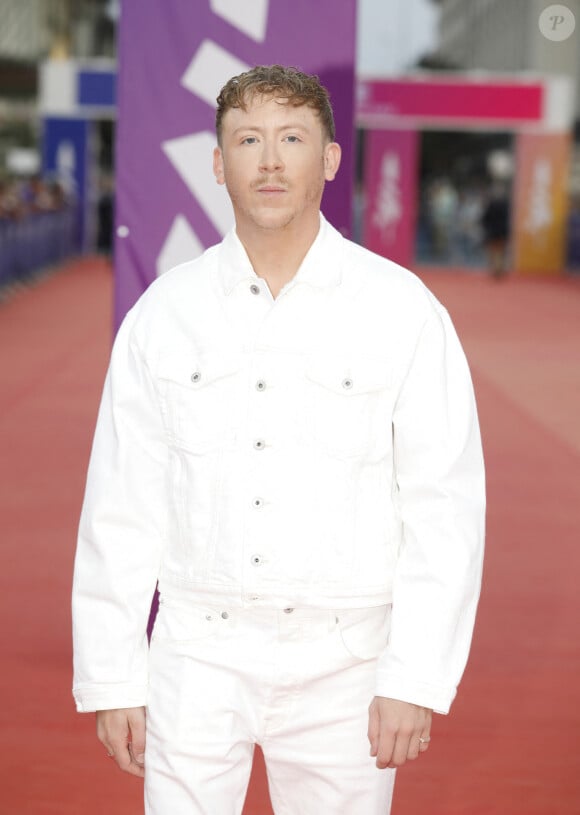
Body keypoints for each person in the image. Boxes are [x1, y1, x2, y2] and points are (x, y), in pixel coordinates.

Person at [72, 65, 485, 814]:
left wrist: (415, 676)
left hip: (347, 659)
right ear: (218, 163)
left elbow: (443, 504)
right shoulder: (165, 313)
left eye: (292, 138)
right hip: (198, 649)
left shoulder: (401, 311)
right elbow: (121, 505)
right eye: (248, 139)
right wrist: (112, 675)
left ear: (328, 159)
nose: (269, 161)